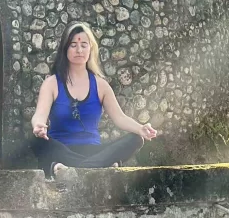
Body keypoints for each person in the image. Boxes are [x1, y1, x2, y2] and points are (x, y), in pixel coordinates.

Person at [30, 22, 157, 181]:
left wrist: (141, 128)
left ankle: (67, 168)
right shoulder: (52, 83)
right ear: (65, 49)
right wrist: (38, 126)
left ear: (91, 48)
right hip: (61, 149)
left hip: (94, 150)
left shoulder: (100, 85)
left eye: (84, 45)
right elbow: (39, 115)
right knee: (37, 142)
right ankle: (99, 167)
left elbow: (120, 118)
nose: (79, 50)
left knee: (136, 139)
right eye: (73, 45)